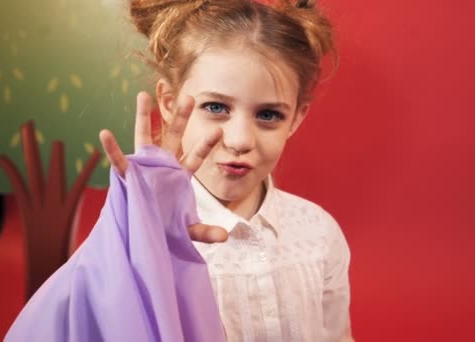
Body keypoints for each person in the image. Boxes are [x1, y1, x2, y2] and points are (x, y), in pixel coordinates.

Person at [98, 0, 355, 340]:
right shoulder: (145, 232)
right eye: (216, 107)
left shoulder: (318, 233)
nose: (239, 140)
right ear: (170, 103)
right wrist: (133, 241)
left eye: (268, 115)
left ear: (295, 117)